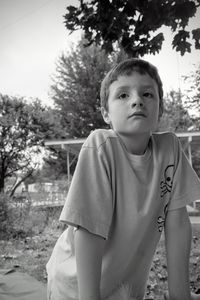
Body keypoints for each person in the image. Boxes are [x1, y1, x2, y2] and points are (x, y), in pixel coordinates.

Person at [46, 58, 200, 300]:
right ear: (106, 113)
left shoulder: (170, 149)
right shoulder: (100, 146)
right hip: (76, 288)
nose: (137, 100)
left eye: (148, 94)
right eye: (123, 95)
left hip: (125, 289)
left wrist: (180, 294)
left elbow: (178, 222)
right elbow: (89, 230)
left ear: (160, 109)